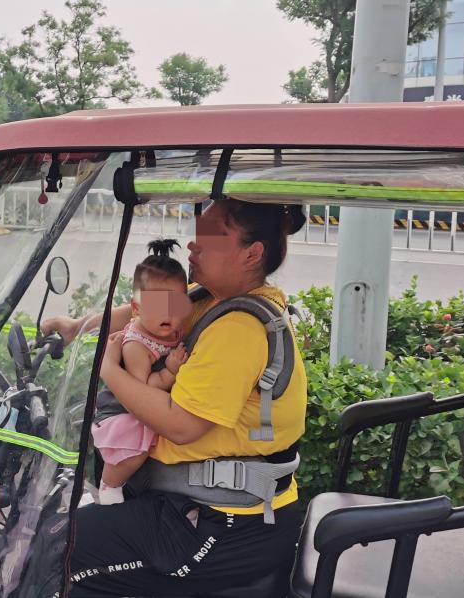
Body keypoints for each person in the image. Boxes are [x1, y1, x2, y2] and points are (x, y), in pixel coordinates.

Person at [46, 198, 308, 596]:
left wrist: (110, 371)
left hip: (225, 523)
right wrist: (75, 328)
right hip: (193, 504)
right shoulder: (210, 299)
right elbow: (143, 312)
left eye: (211, 236)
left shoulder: (239, 329)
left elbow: (181, 424)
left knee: (57, 552)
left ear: (252, 253)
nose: (192, 246)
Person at [91, 239, 190, 505]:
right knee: (133, 452)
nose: (168, 315)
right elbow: (140, 390)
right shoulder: (136, 345)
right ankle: (110, 484)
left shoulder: (168, 327)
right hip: (123, 411)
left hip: (143, 407)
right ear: (136, 309)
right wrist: (170, 372)